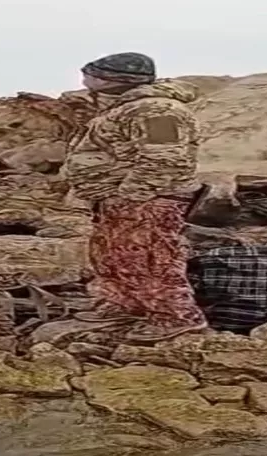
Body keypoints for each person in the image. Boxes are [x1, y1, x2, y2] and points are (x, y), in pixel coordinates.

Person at [62, 52, 208, 343]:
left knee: (150, 259)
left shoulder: (157, 110)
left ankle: (174, 317)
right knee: (113, 255)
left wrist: (131, 196)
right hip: (120, 198)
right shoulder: (125, 107)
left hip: (149, 199)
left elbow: (165, 159)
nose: (84, 78)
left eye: (91, 73)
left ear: (112, 78)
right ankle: (124, 305)